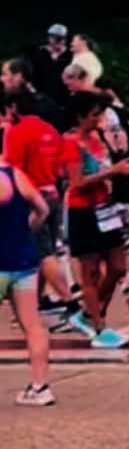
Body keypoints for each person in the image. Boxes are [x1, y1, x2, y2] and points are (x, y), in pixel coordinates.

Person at [1, 87, 84, 330]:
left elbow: (13, 169)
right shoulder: (49, 130)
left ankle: (71, 305)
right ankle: (30, 306)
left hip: (32, 195)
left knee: (43, 253)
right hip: (53, 192)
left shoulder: (18, 132)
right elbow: (60, 166)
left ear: (13, 107)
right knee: (37, 254)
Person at [60, 91, 129, 348]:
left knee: (117, 266)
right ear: (80, 117)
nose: (98, 119)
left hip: (105, 207)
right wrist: (113, 171)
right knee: (90, 270)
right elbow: (77, 182)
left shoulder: (97, 138)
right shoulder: (71, 143)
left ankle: (87, 311)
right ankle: (98, 325)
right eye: (94, 115)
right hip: (83, 210)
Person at [0, 160, 54, 405]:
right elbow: (43, 208)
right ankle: (40, 387)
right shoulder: (15, 175)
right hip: (24, 261)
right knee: (33, 326)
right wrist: (25, 229)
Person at [2, 57, 64, 131]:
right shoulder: (14, 102)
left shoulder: (43, 105)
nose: (1, 79)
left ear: (18, 76)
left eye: (5, 74)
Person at [32, 24, 72, 106]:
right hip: (43, 98)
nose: (58, 41)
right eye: (55, 38)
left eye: (61, 38)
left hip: (64, 99)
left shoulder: (70, 55)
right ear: (49, 38)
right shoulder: (40, 54)